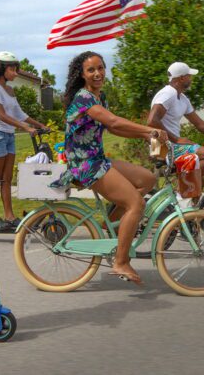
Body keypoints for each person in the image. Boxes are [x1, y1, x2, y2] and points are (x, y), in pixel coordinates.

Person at [51, 51, 168, 285]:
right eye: (91, 70)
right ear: (82, 75)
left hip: (98, 159)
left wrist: (144, 136)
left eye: (100, 68)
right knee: (136, 203)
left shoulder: (99, 97)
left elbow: (114, 129)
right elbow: (114, 122)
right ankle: (121, 261)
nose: (97, 73)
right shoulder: (83, 98)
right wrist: (148, 130)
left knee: (147, 179)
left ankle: (110, 226)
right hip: (85, 164)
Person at [0, 51, 49, 230]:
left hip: (9, 135)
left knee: (7, 178)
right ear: (1, 69)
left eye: (16, 69)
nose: (16, 73)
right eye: (12, 69)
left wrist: (39, 124)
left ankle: (10, 216)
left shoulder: (9, 90)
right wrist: (26, 128)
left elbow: (19, 114)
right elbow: (2, 116)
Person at [147, 62, 204, 184]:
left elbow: (200, 124)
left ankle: (185, 193)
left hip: (170, 145)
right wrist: (176, 139)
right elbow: (152, 120)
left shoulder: (182, 98)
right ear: (181, 78)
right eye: (189, 76)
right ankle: (183, 186)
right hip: (161, 146)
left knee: (200, 182)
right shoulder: (168, 93)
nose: (191, 79)